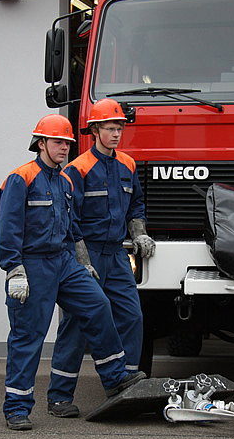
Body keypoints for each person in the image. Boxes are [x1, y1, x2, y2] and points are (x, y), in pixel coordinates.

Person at [0, 114, 146, 431]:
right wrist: (14, 270)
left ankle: (116, 376)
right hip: (33, 264)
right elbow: (8, 229)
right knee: (28, 337)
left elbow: (72, 228)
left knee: (98, 305)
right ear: (41, 143)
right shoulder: (20, 178)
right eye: (58, 142)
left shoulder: (64, 181)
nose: (64, 148)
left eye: (67, 143)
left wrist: (81, 260)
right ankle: (17, 408)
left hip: (64, 261)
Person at [46, 99, 155, 418]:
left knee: (131, 316)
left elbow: (136, 204)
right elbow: (68, 217)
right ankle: (59, 396)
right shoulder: (77, 170)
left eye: (120, 128)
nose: (116, 134)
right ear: (95, 131)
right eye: (110, 128)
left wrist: (139, 232)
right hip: (86, 254)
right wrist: (81, 261)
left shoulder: (128, 164)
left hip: (117, 255)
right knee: (78, 324)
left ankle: (126, 386)